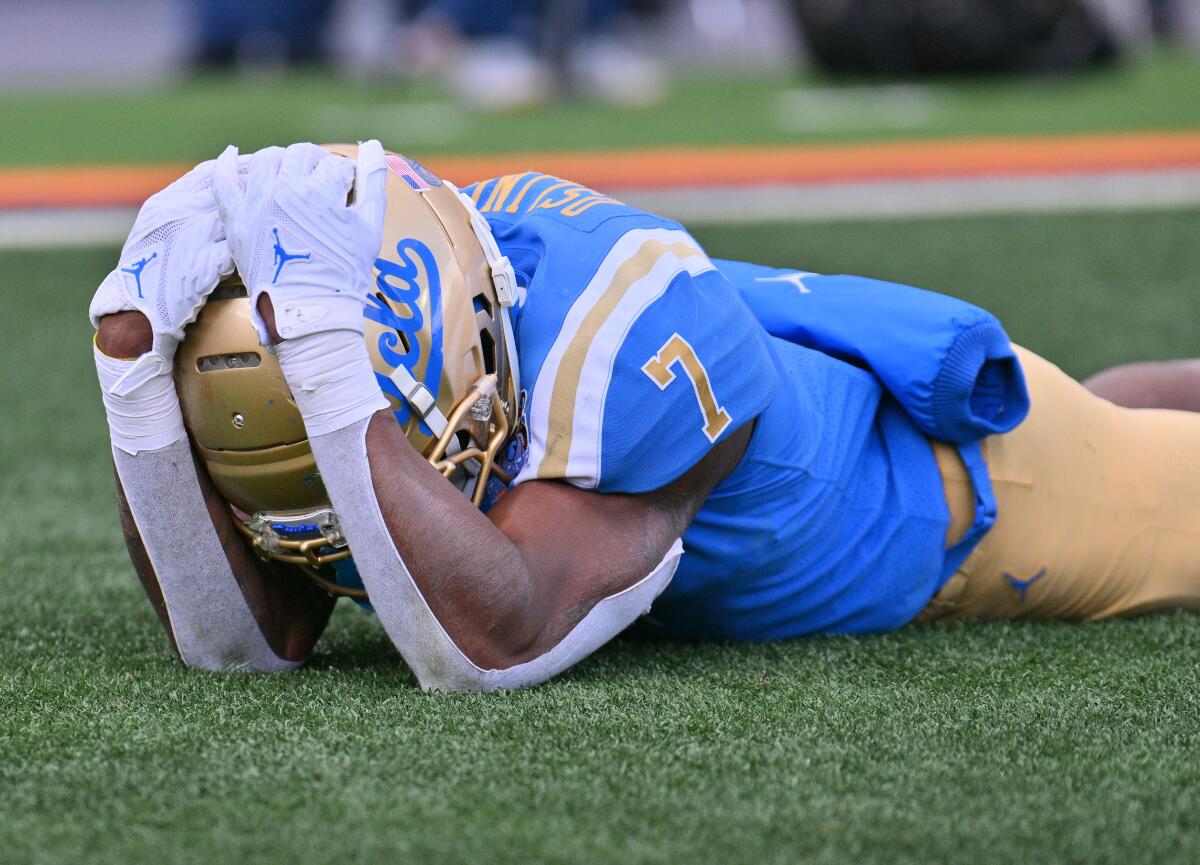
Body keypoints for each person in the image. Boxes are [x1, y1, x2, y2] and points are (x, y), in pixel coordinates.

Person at [91, 141, 1200, 690]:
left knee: (1135, 457)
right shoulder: (426, 282)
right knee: (1112, 401)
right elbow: (247, 645)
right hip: (827, 386)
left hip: (974, 499)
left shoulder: (628, 329)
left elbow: (491, 639)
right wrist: (134, 376)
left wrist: (331, 368)